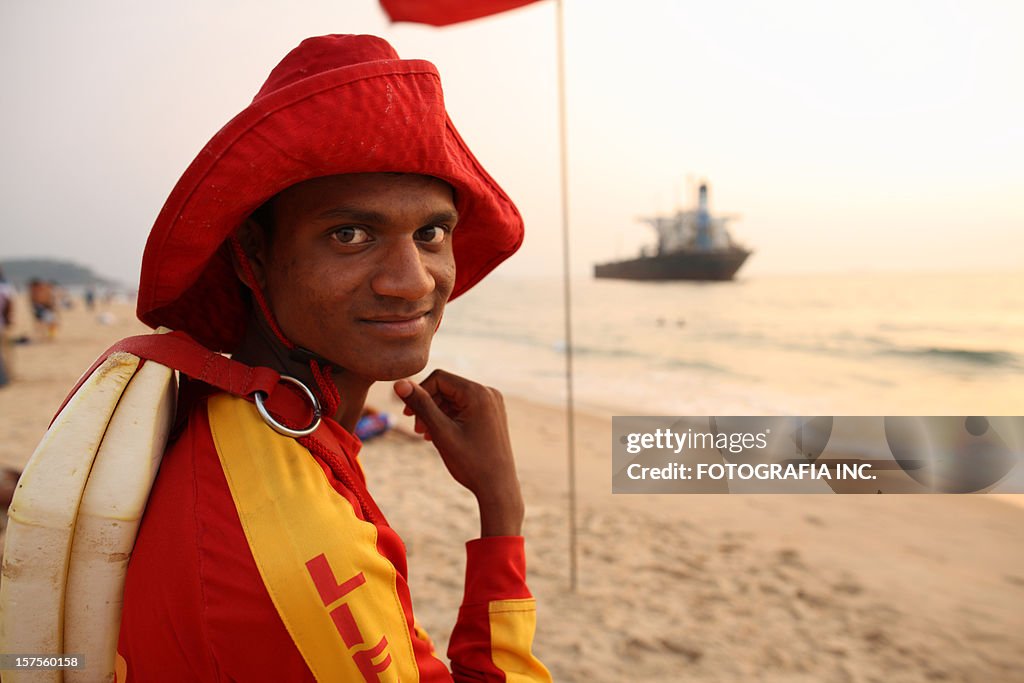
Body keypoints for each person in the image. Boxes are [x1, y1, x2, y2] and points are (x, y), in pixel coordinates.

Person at [115, 34, 551, 682]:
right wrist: (501, 507)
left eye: (431, 232)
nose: (412, 280)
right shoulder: (295, 543)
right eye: (350, 234)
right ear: (252, 254)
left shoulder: (241, 421)